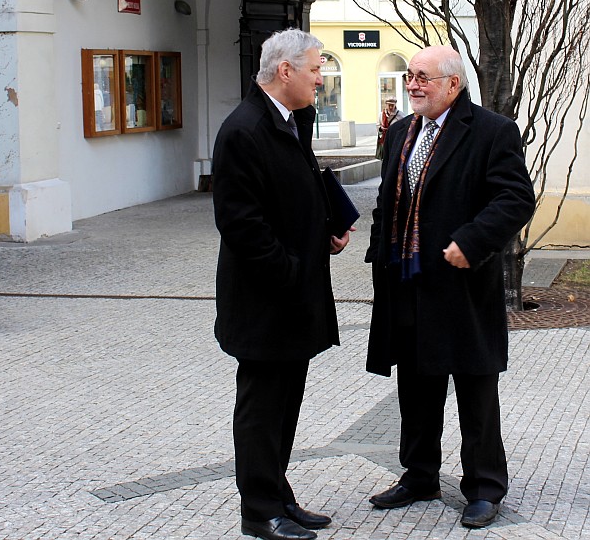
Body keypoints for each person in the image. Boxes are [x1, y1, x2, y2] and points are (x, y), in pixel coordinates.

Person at [365, 45, 535, 529]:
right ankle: (418, 474)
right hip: (407, 282)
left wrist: (471, 241)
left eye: (422, 77)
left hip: (460, 286)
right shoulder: (401, 132)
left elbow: (516, 197)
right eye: (410, 76)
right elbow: (386, 201)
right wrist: (380, 251)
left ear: (453, 84)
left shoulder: (490, 131)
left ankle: (484, 486)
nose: (412, 84)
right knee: (415, 384)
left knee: (474, 386)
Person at [213, 29, 352, 540]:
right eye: (315, 69)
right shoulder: (244, 130)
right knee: (261, 408)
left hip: (292, 297)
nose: (321, 78)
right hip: (265, 302)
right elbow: (242, 225)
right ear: (285, 71)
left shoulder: (290, 121)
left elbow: (293, 198)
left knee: (284, 403)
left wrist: (323, 235)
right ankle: (259, 511)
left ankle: (278, 494)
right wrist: (294, 272)